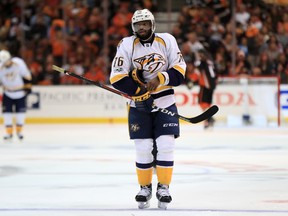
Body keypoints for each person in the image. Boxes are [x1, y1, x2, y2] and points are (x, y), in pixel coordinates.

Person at [109, 9, 186, 209]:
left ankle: (164, 187)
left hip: (165, 101)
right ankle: (145, 187)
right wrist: (138, 91)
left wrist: (160, 79)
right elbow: (116, 77)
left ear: (152, 25)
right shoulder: (126, 44)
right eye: (137, 25)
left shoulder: (167, 40)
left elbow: (179, 71)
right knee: (143, 147)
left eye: (145, 24)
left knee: (166, 144)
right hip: (138, 104)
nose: (141, 28)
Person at [0, 50, 32, 140]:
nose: (6, 63)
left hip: (20, 93)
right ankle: (9, 133)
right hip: (7, 93)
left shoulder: (18, 63)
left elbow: (26, 75)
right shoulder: (0, 67)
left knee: (20, 114)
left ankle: (19, 131)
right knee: (7, 114)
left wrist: (28, 87)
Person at [186, 49, 217, 129]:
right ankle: (208, 121)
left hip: (205, 85)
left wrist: (191, 81)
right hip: (212, 86)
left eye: (200, 55)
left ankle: (209, 119)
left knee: (202, 102)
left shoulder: (202, 64)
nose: (199, 57)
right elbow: (215, 73)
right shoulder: (210, 62)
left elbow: (197, 73)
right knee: (207, 103)